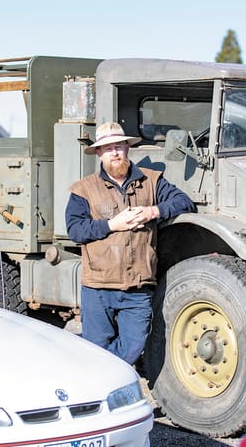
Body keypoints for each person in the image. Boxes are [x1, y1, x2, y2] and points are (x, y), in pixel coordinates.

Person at [65, 122, 196, 365]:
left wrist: (153, 211)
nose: (115, 153)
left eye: (119, 146)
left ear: (128, 148)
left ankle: (84, 363)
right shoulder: (83, 189)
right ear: (98, 153)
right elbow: (75, 230)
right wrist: (111, 225)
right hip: (98, 288)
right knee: (97, 350)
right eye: (108, 148)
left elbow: (184, 202)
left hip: (138, 287)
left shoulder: (152, 181)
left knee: (134, 347)